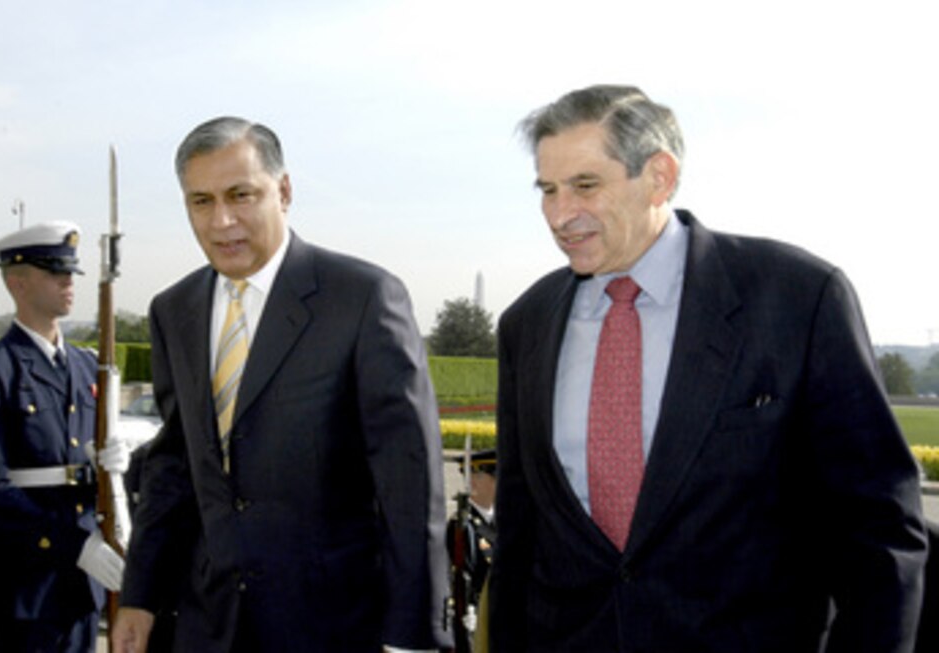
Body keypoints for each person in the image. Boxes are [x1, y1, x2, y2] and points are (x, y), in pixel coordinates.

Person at [488, 85, 928, 652]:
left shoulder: (796, 298)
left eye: (585, 186)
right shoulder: (527, 323)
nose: (559, 213)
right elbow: (520, 536)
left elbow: (880, 531)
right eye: (547, 190)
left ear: (660, 177)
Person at [111, 117, 451, 653]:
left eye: (240, 195)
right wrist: (141, 594)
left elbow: (410, 483)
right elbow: (174, 465)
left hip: (333, 626)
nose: (221, 221)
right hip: (207, 624)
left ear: (284, 191)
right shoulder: (173, 311)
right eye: (200, 202)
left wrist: (413, 636)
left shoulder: (362, 299)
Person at [0, 221, 127, 652]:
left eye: (70, 273)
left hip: (83, 582)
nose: (69, 282)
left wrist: (123, 468)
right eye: (54, 272)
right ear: (18, 282)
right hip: (21, 582)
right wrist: (73, 544)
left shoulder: (88, 368)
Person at [446, 448, 496, 650]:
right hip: (476, 618)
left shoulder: (503, 520)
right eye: (493, 477)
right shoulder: (463, 526)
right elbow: (461, 576)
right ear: (474, 482)